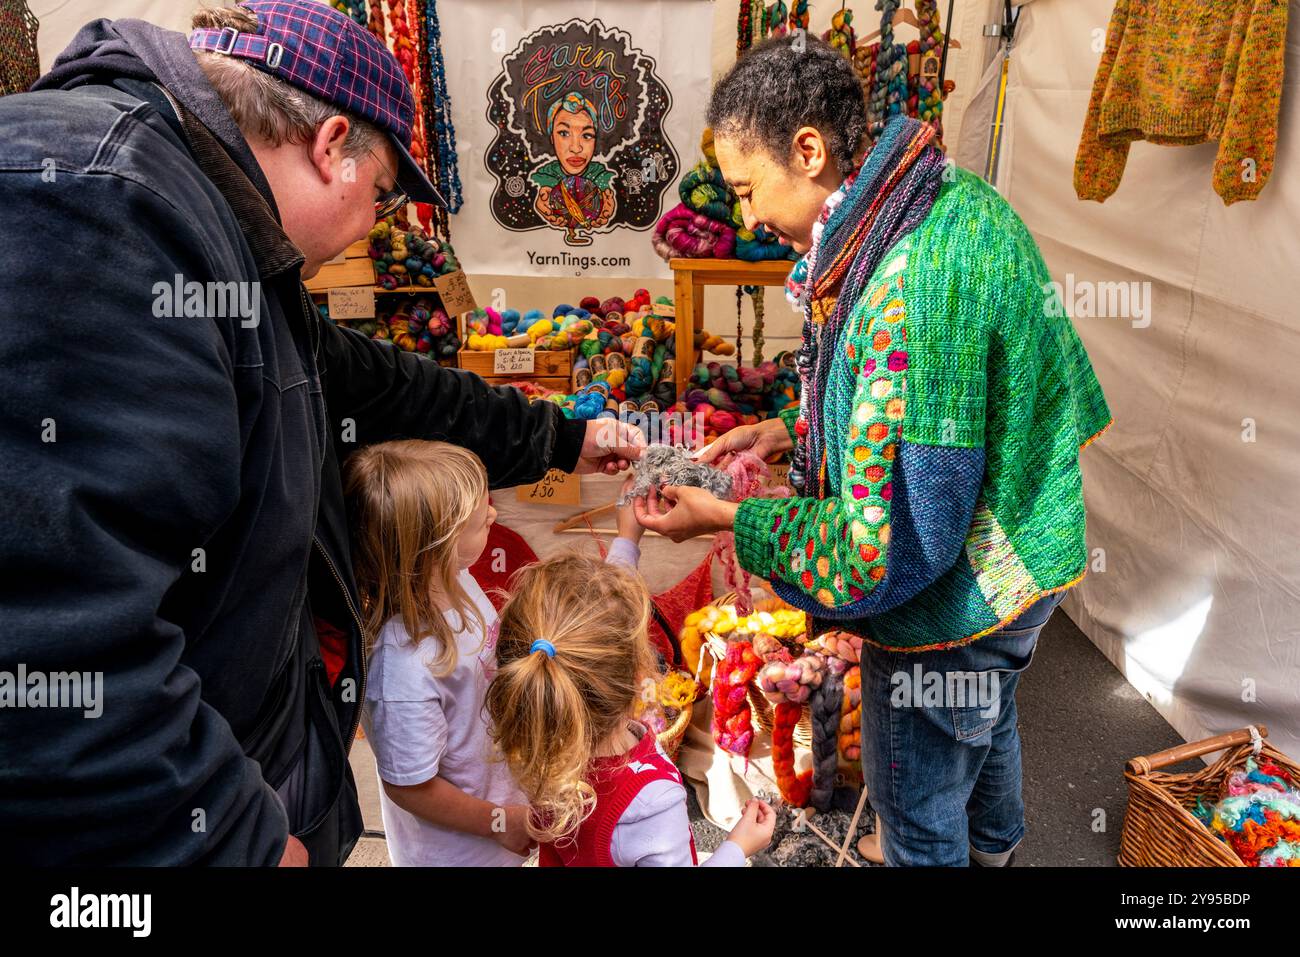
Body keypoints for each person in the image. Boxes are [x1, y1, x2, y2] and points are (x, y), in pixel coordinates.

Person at [0, 0, 641, 866]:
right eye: (380, 196)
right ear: (331, 144)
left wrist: (560, 439)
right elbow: (56, 637)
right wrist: (239, 840)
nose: (375, 225)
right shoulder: (102, 207)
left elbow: (378, 384)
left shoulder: (222, 232)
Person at [634, 36, 1112, 866]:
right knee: (983, 710)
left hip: (961, 592)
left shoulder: (909, 284)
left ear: (809, 151)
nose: (744, 218)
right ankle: (997, 850)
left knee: (920, 807)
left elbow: (879, 545)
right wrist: (792, 427)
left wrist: (732, 518)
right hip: (1020, 557)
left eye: (747, 190)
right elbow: (887, 397)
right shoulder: (933, 196)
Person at [485, 548, 776, 867]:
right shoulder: (652, 803)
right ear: (640, 677)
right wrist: (737, 847)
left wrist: (629, 542)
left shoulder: (540, 739)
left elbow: (590, 631)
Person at [346, 442, 531, 866]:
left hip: (493, 819)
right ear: (437, 545)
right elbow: (410, 786)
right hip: (456, 851)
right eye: (477, 517)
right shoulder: (404, 667)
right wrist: (501, 822)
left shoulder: (457, 578)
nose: (493, 514)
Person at [532, 91, 617, 246]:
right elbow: (545, 184)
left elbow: (604, 185)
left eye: (587, 135)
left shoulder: (600, 175)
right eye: (564, 133)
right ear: (552, 138)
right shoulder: (545, 175)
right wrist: (543, 194)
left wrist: (606, 197)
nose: (576, 148)